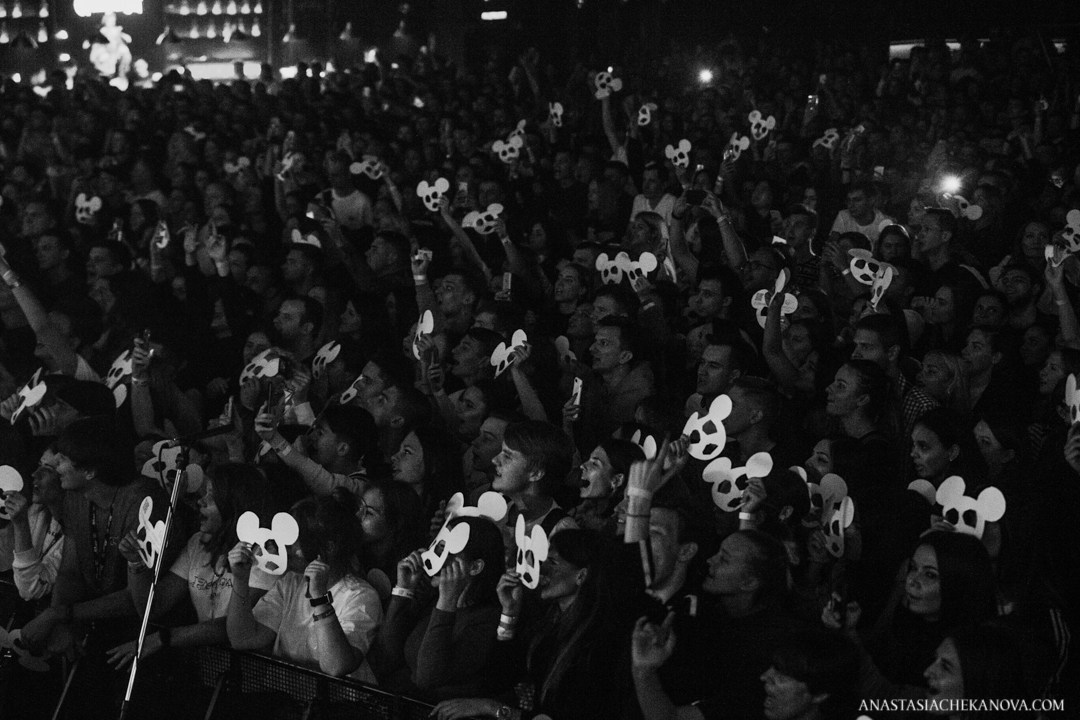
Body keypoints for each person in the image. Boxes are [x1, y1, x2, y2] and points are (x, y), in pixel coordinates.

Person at [430, 529, 623, 720]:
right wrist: (509, 612)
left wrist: (494, 709)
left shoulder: (597, 639)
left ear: (581, 576)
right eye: (542, 559)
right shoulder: (548, 619)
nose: (540, 568)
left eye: (552, 562)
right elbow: (500, 678)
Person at [226, 490, 383, 680]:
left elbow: (336, 666)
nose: (285, 546)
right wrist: (241, 580)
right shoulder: (290, 583)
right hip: (283, 698)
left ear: (329, 546)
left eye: (294, 538)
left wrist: (319, 598)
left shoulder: (361, 596)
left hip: (338, 705)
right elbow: (243, 638)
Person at [372, 516, 507, 699]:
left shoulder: (487, 619)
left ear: (474, 567)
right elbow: (386, 655)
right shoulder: (432, 598)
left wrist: (446, 604)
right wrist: (404, 589)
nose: (433, 556)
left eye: (447, 551)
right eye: (437, 545)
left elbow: (427, 678)